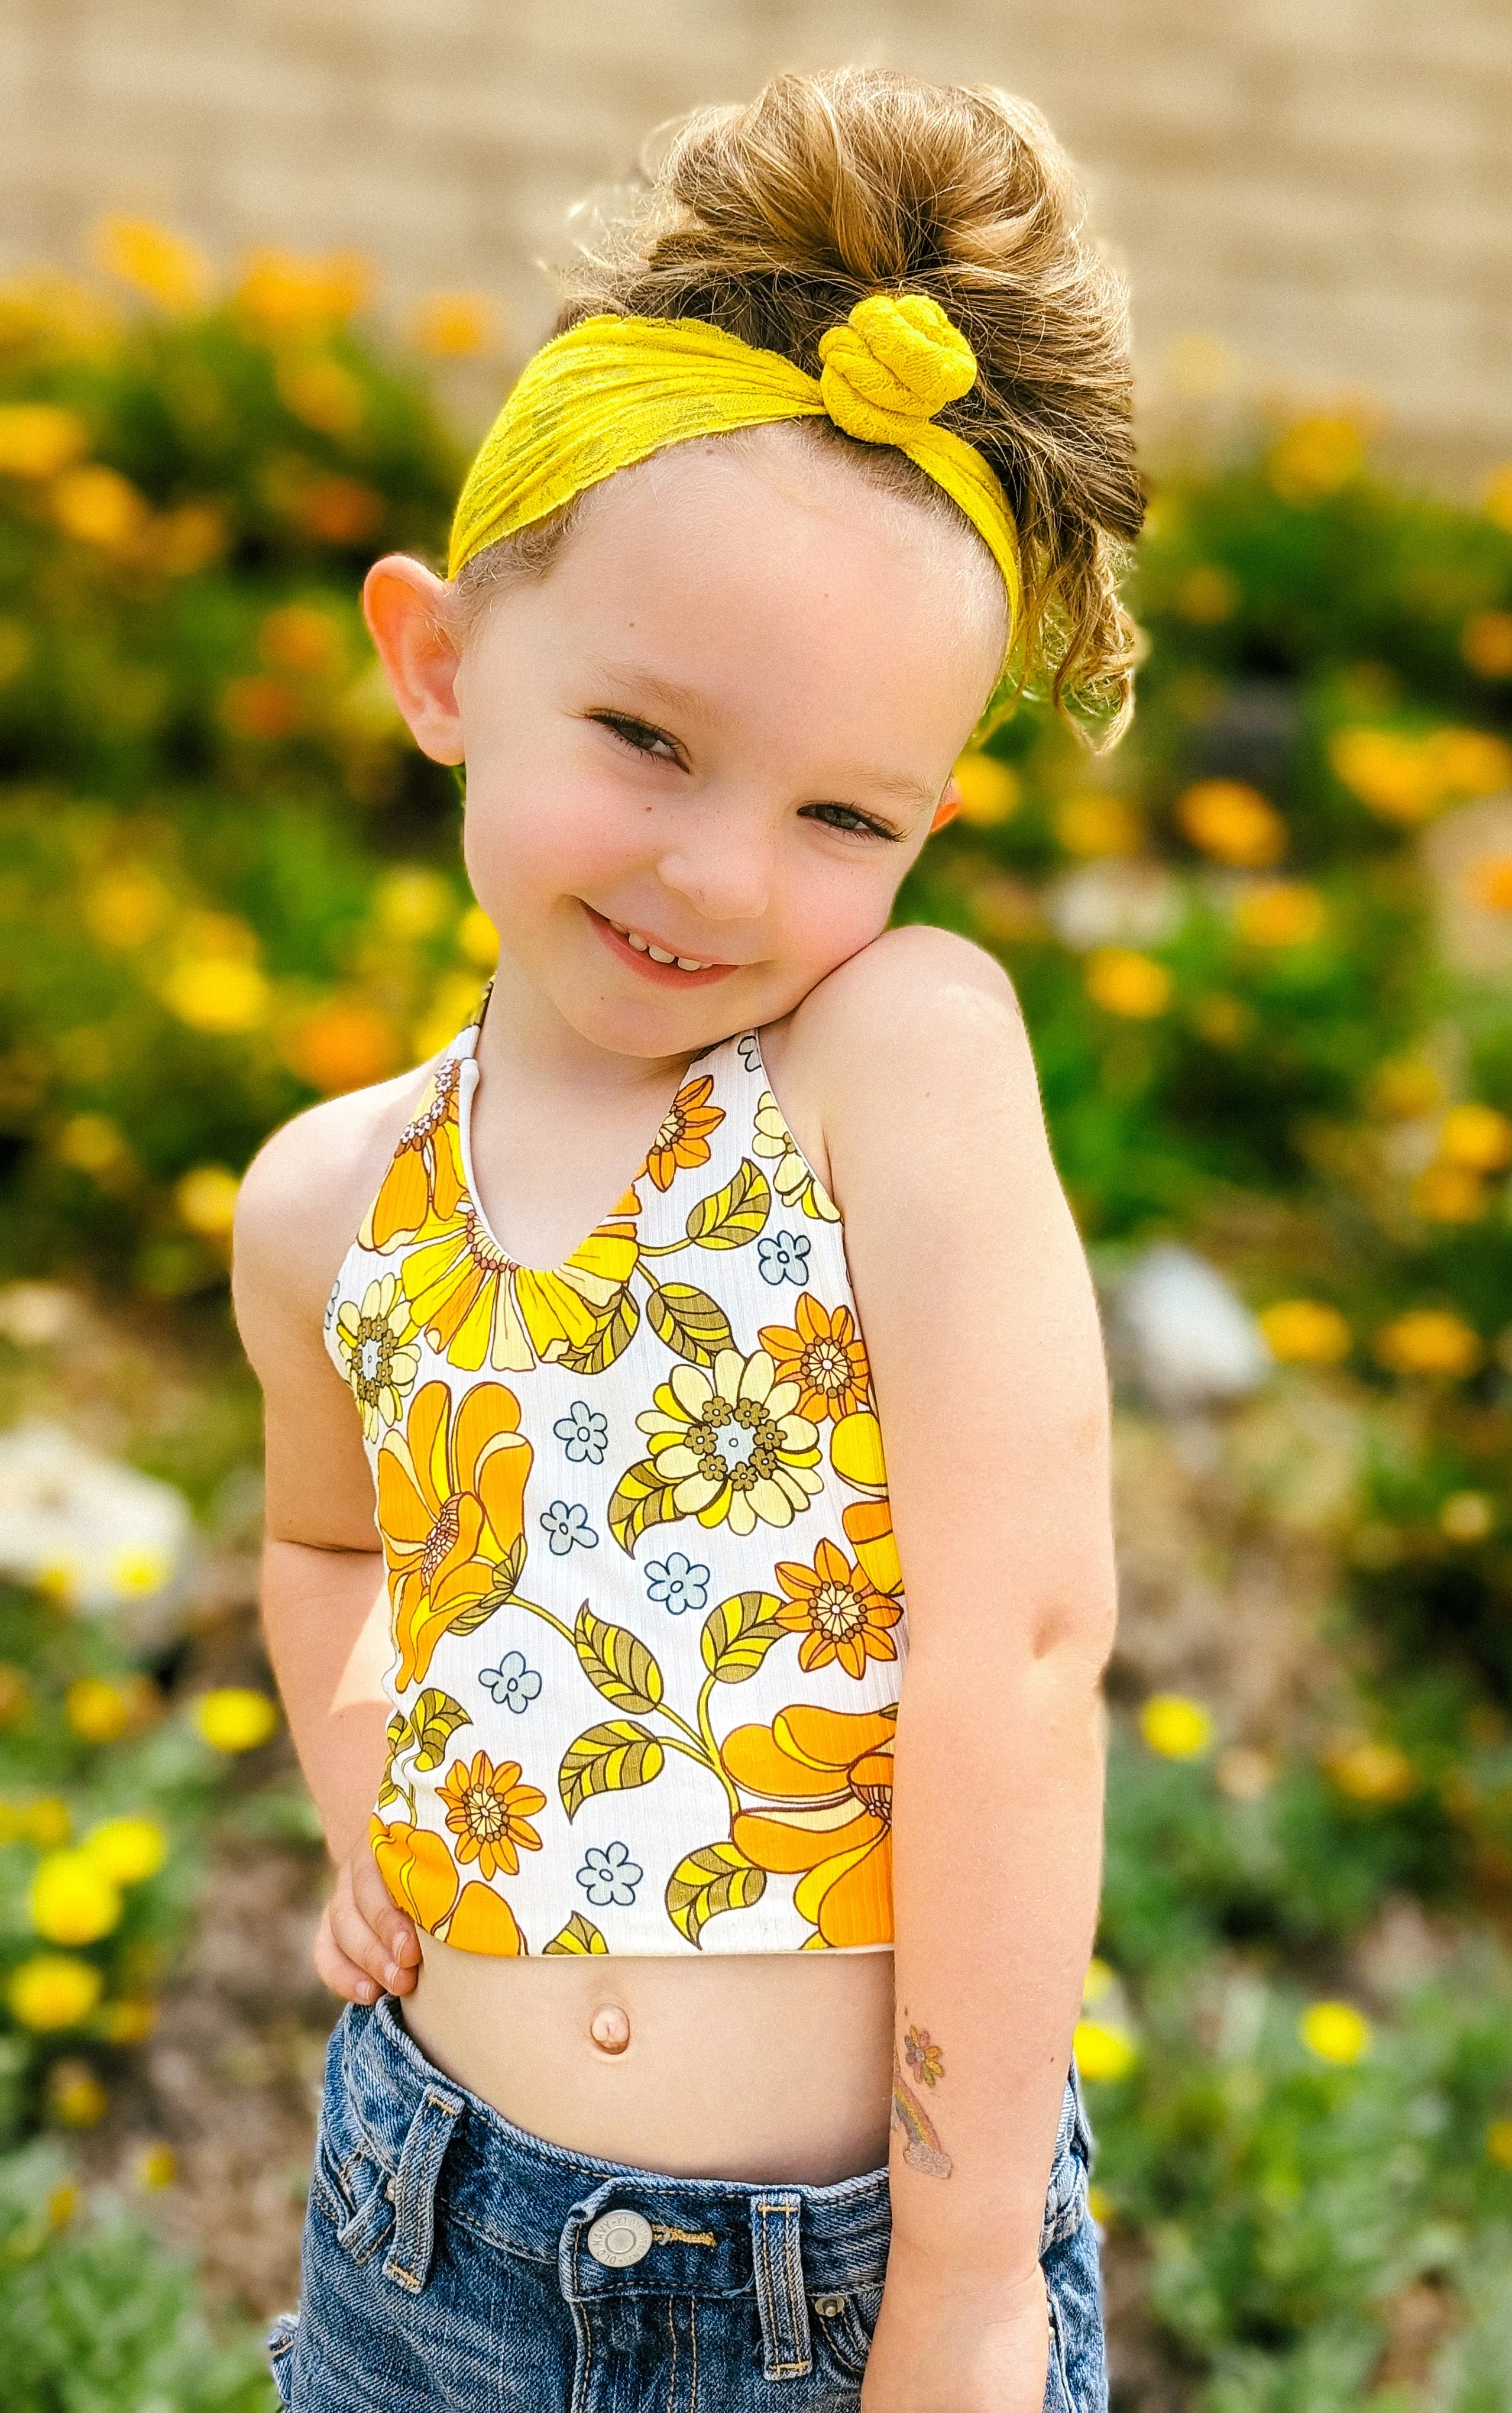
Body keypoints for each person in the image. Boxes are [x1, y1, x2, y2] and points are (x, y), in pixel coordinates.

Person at [233, 64, 1140, 2413]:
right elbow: (336, 1558)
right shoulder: (333, 1203)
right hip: (422, 2233)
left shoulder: (888, 1072)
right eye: (647, 739)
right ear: (440, 666)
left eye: (848, 810)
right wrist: (373, 1812)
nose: (728, 877)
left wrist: (958, 2281)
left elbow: (1021, 1652)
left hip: (830, 2287)